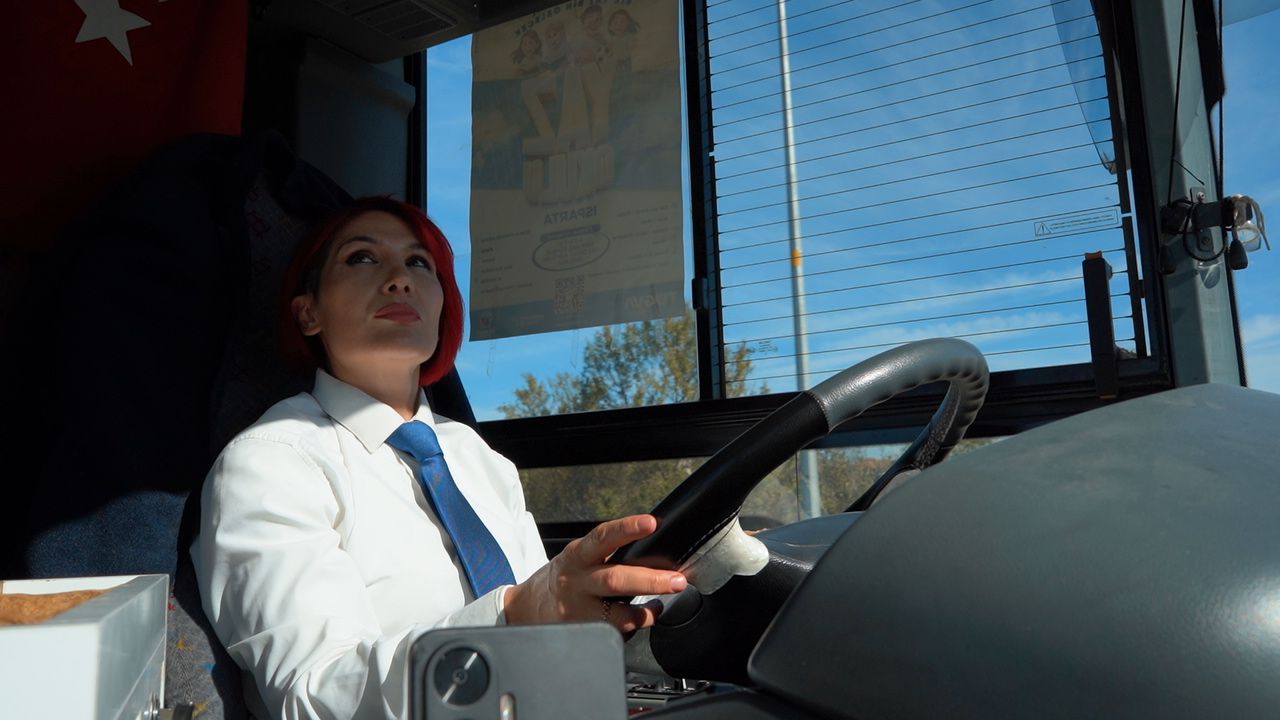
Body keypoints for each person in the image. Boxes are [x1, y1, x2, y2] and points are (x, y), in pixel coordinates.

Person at [192, 196, 687, 719]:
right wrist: (511, 617)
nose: (399, 280)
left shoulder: (478, 457)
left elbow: (552, 618)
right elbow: (316, 694)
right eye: (362, 257)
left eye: (418, 263)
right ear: (308, 312)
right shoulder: (270, 463)